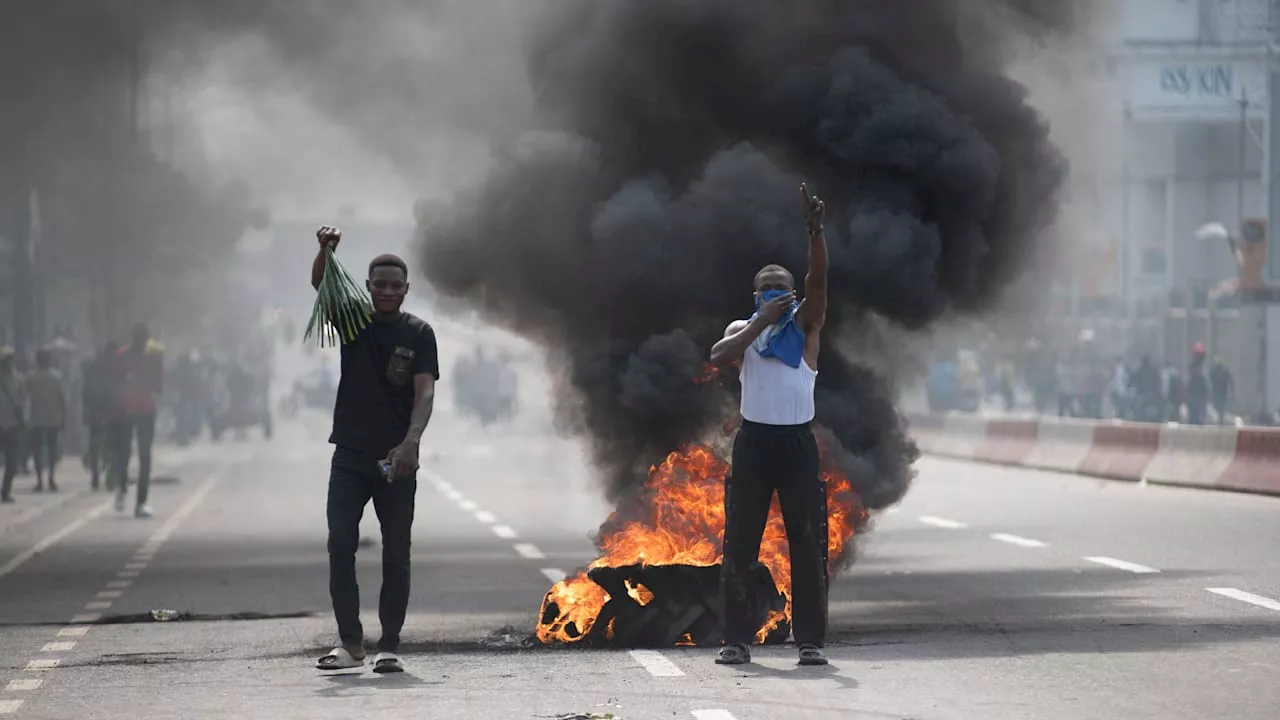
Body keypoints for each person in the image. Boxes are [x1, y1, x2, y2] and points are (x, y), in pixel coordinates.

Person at [707, 184, 829, 667]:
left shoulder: (807, 328)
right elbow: (718, 356)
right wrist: (760, 321)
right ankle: (737, 640)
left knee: (806, 544)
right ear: (755, 295)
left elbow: (819, 280)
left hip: (797, 445)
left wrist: (815, 232)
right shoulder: (743, 331)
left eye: (781, 286)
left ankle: (810, 642)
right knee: (741, 543)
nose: (774, 291)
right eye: (766, 287)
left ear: (793, 293)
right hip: (754, 444)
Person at [311, 225, 439, 675]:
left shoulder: (420, 333)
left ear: (406, 290)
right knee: (340, 542)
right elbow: (320, 287)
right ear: (367, 288)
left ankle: (389, 644)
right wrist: (325, 250)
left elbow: (424, 393)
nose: (386, 291)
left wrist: (411, 442)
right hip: (348, 453)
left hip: (395, 459)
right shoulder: (353, 321)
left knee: (396, 551)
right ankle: (350, 642)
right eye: (379, 284)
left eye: (394, 285)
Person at [112, 323, 164, 517]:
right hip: (144, 410)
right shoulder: (152, 358)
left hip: (125, 409)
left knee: (124, 453)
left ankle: (123, 490)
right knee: (144, 457)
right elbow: (159, 386)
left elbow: (114, 381)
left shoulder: (120, 356)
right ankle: (140, 503)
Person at [26, 348, 66, 493]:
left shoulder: (31, 378)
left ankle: (39, 480)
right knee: (51, 450)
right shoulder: (57, 377)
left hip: (36, 419)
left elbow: (24, 396)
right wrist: (63, 418)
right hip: (53, 419)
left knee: (37, 450)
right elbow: (62, 400)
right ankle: (51, 478)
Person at [0, 346, 26, 503]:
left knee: (12, 462)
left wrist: (22, 422)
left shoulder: (19, 379)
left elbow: (23, 403)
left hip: (12, 425)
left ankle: (5, 491)